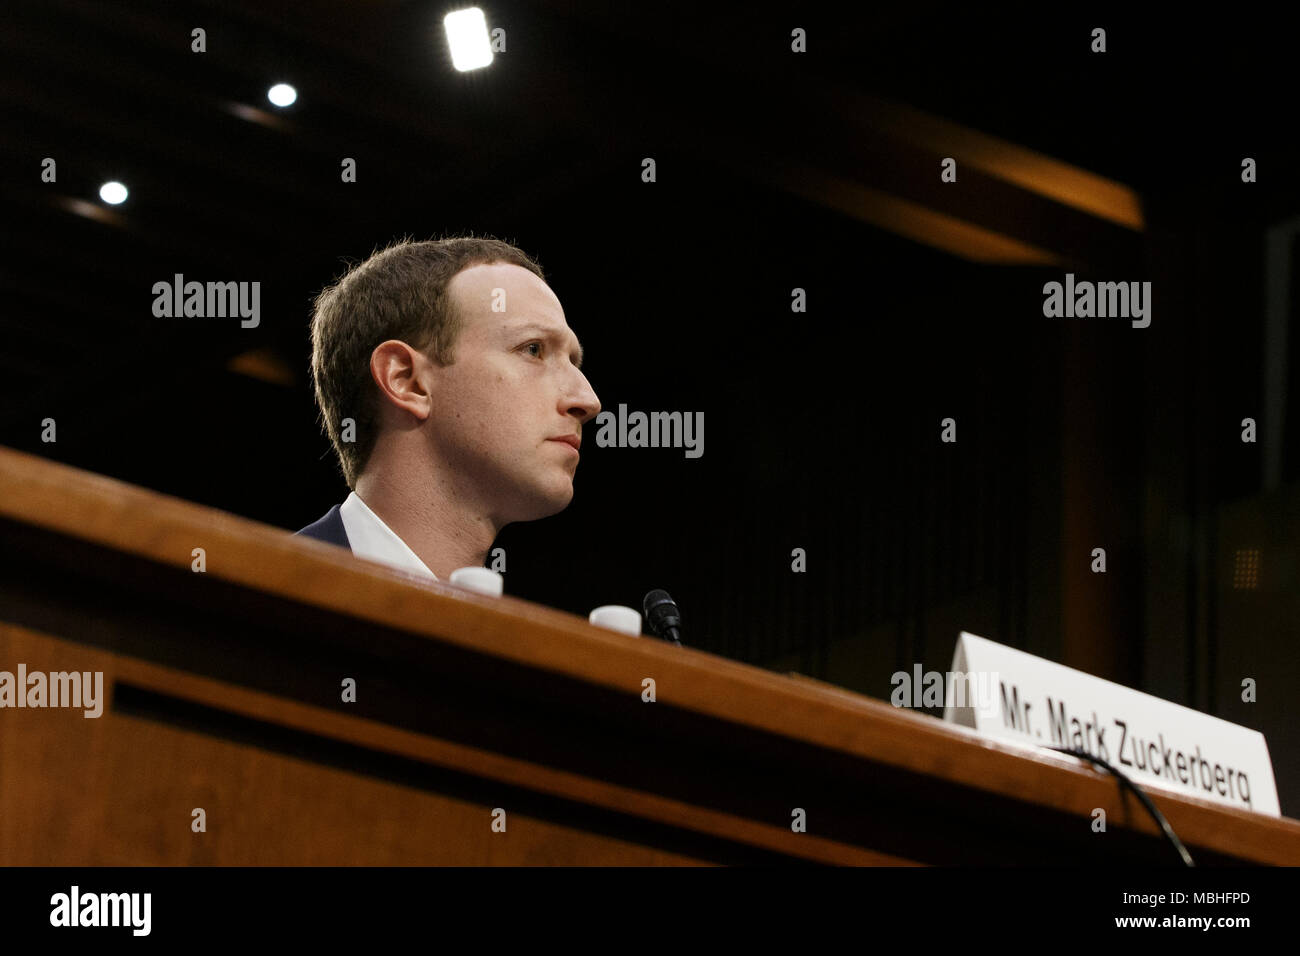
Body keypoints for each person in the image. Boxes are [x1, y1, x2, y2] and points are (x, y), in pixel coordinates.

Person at [295, 237, 600, 581]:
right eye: (533, 349)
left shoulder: (513, 633)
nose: (588, 401)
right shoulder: (249, 603)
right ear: (406, 380)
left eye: (574, 361)